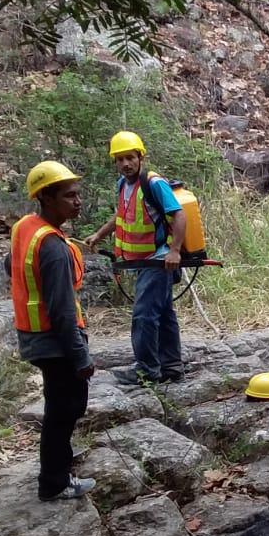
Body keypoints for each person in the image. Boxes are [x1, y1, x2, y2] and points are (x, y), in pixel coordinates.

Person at [11, 161, 97, 501]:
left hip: (34, 337)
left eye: (78, 194)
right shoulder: (53, 247)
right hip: (55, 342)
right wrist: (81, 357)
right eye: (69, 195)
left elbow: (12, 265)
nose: (77, 201)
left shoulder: (26, 228)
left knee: (59, 408)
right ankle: (55, 482)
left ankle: (58, 465)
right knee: (65, 410)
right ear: (46, 198)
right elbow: (62, 312)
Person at [84, 131, 186, 385]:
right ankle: (171, 366)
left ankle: (147, 371)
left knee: (143, 315)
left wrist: (174, 251)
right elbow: (122, 215)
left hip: (158, 259)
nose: (125, 164)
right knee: (162, 313)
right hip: (143, 261)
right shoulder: (124, 184)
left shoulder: (153, 183)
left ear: (140, 156)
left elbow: (179, 215)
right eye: (119, 159)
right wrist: (98, 235)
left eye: (129, 158)